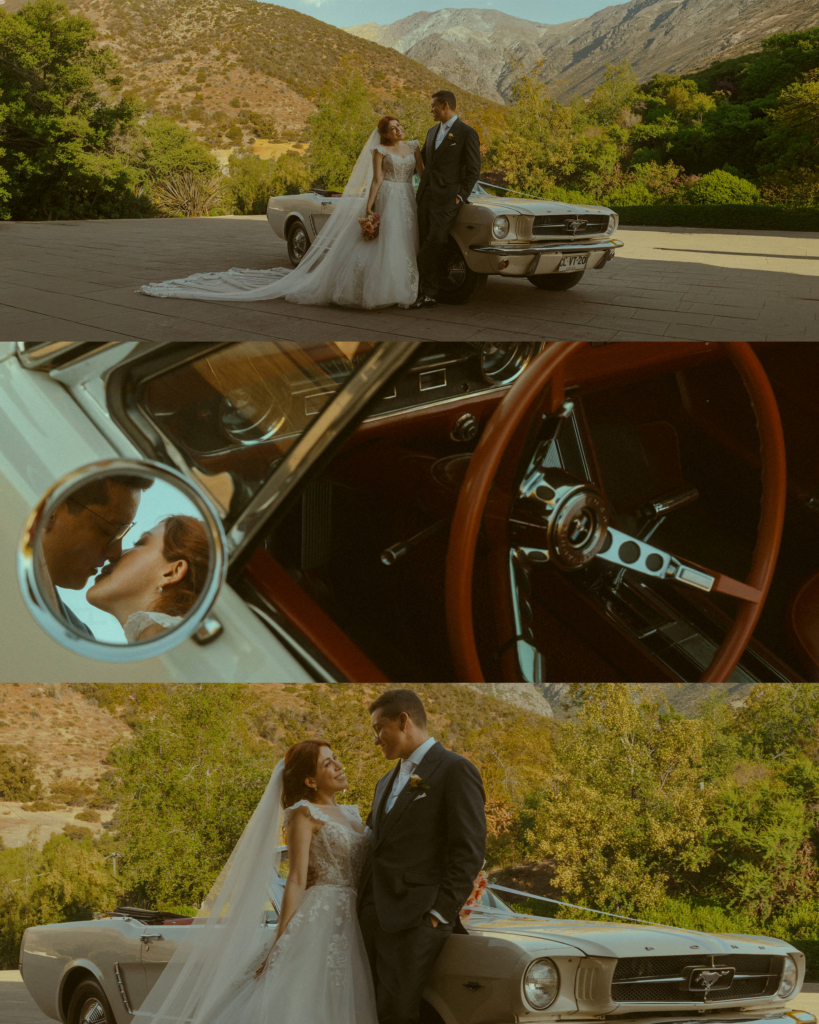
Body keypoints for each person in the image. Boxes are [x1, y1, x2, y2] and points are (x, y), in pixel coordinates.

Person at [137, 741, 379, 1024]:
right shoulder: (303, 813)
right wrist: (280, 939)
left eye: (335, 758)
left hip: (355, 917)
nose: (338, 766)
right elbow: (296, 878)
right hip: (319, 921)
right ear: (310, 781)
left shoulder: (353, 813)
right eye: (328, 763)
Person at [139, 116, 424, 310]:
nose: (398, 130)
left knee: (405, 240)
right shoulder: (379, 150)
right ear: (384, 134)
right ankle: (384, 291)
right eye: (393, 128)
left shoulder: (413, 146)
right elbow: (376, 180)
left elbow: (423, 174)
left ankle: (404, 287)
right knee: (385, 242)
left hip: (407, 198)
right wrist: (370, 206)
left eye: (399, 125)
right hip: (387, 196)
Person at [358, 688, 487, 1024]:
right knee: (368, 1011)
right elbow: (373, 845)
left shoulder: (455, 769)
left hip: (417, 921)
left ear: (404, 721)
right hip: (371, 918)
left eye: (379, 728)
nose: (376, 740)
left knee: (398, 1013)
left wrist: (438, 914)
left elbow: (469, 850)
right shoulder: (384, 782)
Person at [38, 474, 154, 638]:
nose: (115, 553)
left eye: (121, 534)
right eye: (107, 531)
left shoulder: (80, 635)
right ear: (50, 510)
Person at [86, 514, 209, 642]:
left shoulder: (160, 638)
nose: (116, 554)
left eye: (139, 544)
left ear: (172, 573)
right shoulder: (176, 637)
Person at [413, 90, 482, 309]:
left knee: (436, 240)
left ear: (445, 106)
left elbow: (473, 169)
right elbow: (423, 162)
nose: (430, 110)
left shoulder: (467, 133)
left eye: (433, 106)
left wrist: (460, 196)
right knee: (424, 240)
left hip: (448, 199)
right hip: (425, 196)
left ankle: (410, 272)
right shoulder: (432, 131)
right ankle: (428, 293)